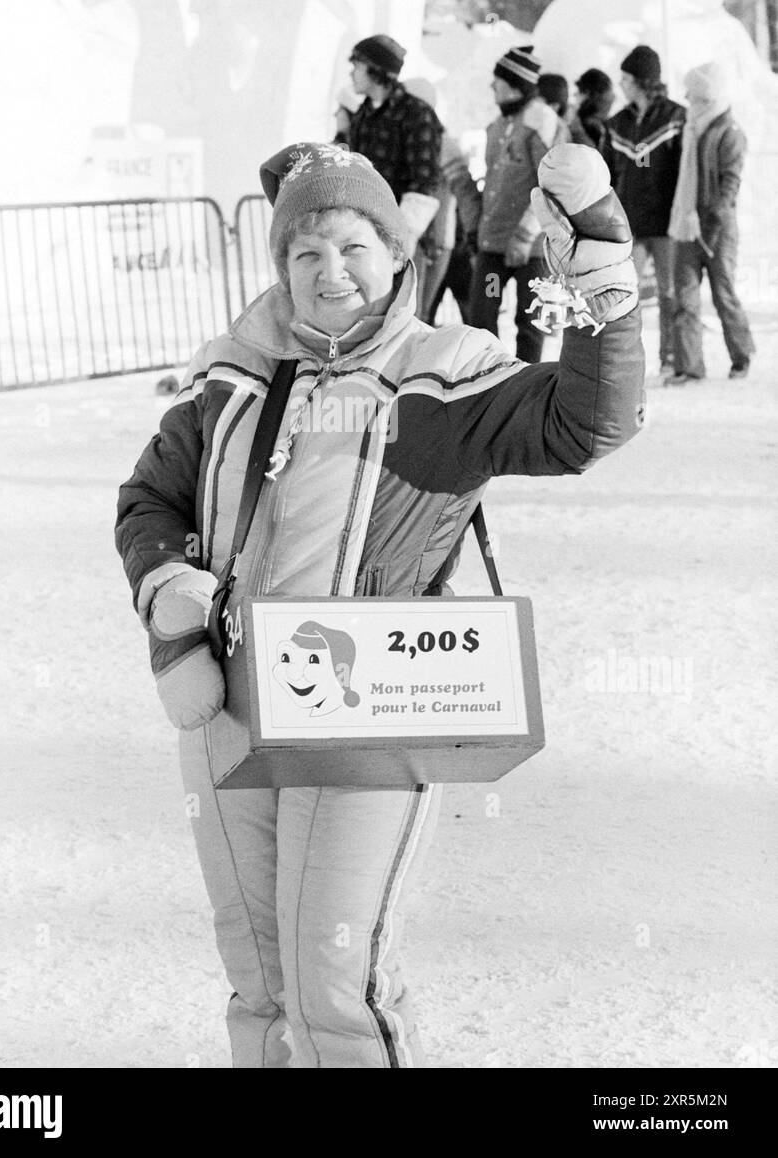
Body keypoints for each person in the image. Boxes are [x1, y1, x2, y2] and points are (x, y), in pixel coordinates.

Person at [114, 140, 644, 1069]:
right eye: (305, 254)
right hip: (226, 707)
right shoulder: (231, 376)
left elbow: (586, 423)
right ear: (279, 266)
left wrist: (601, 275)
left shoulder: (445, 372)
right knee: (259, 977)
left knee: (334, 978)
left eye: (355, 247)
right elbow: (148, 499)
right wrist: (167, 593)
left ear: (398, 255)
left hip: (365, 706)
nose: (331, 273)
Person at [468, 45, 569, 361]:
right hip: (494, 246)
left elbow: (551, 185)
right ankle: (491, 379)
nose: (491, 88)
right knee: (483, 314)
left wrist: (525, 234)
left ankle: (527, 386)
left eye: (496, 81)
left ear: (512, 85)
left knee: (529, 321)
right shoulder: (498, 126)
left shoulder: (541, 125)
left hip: (533, 249)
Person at [666, 61, 755, 383]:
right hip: (685, 224)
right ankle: (689, 367)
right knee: (684, 297)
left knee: (723, 293)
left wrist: (713, 225)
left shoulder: (728, 133)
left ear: (706, 95)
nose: (688, 99)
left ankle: (742, 354)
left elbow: (730, 184)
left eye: (693, 94)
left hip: (716, 228)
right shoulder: (691, 129)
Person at [607, 44, 686, 377]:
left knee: (670, 293)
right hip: (631, 224)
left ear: (641, 80)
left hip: (667, 223)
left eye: (625, 77)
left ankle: (670, 358)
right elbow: (608, 174)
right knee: (626, 295)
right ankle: (628, 360)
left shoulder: (676, 117)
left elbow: (684, 170)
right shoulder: (617, 124)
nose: (621, 83)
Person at [334, 33, 443, 255]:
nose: (351, 73)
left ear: (375, 70)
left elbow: (425, 182)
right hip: (366, 235)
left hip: (405, 241)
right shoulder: (363, 114)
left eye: (357, 66)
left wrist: (403, 236)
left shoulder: (416, 114)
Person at [403, 77, 482, 324]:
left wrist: (438, 239)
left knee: (419, 314)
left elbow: (454, 194)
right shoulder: (410, 137)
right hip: (418, 236)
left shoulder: (442, 143)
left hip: (436, 239)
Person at [569, 67, 615, 169]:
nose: (574, 95)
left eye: (579, 92)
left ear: (587, 95)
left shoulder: (582, 125)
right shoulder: (610, 126)